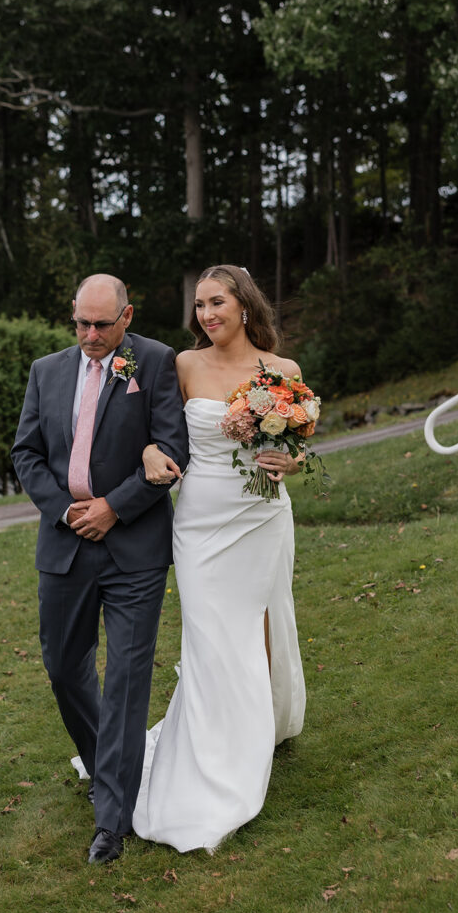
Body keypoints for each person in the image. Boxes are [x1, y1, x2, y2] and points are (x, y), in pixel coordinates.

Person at [11, 274, 189, 864]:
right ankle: (103, 764)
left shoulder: (156, 363)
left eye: (102, 324)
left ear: (127, 316)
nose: (90, 335)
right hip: (64, 545)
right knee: (64, 667)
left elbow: (172, 450)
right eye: (81, 323)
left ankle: (112, 817)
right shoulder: (47, 371)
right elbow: (26, 454)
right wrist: (67, 511)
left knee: (127, 680)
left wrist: (114, 507)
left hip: (133, 547)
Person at [131, 264, 307, 853]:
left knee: (258, 626)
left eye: (216, 302)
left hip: (263, 517)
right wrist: (154, 450)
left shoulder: (284, 373)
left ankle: (256, 731)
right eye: (199, 305)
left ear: (245, 305)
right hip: (202, 521)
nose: (206, 314)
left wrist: (293, 462)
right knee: (209, 635)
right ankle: (209, 755)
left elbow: (293, 446)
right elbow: (152, 429)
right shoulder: (184, 364)